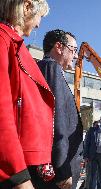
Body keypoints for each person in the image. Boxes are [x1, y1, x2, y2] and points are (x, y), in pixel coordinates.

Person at [0, 1, 54, 189]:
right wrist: (18, 177)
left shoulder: (13, 44)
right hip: (11, 171)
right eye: (40, 16)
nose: (39, 24)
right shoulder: (3, 40)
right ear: (27, 6)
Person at [36, 29, 83, 189]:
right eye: (73, 50)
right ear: (59, 46)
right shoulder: (51, 68)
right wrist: (62, 169)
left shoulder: (46, 69)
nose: (76, 56)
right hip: (58, 173)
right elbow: (56, 120)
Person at [83, 115, 101, 189]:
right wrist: (85, 156)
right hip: (93, 156)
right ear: (100, 121)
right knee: (93, 175)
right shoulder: (92, 130)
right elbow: (87, 143)